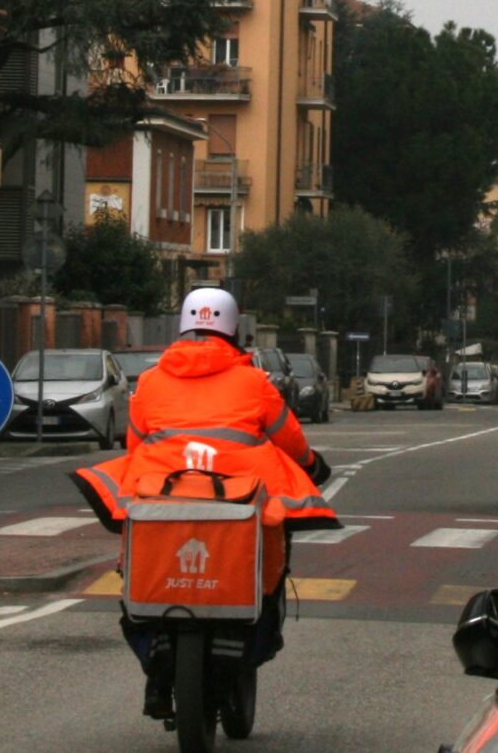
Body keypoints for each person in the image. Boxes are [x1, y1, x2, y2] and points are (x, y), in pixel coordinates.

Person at [72, 287, 338, 719]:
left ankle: (157, 655)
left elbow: (136, 445)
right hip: (237, 507)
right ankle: (240, 643)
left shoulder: (152, 382)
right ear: (235, 330)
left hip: (160, 502)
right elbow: (290, 441)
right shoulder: (254, 381)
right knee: (268, 565)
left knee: (137, 575)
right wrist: (312, 465)